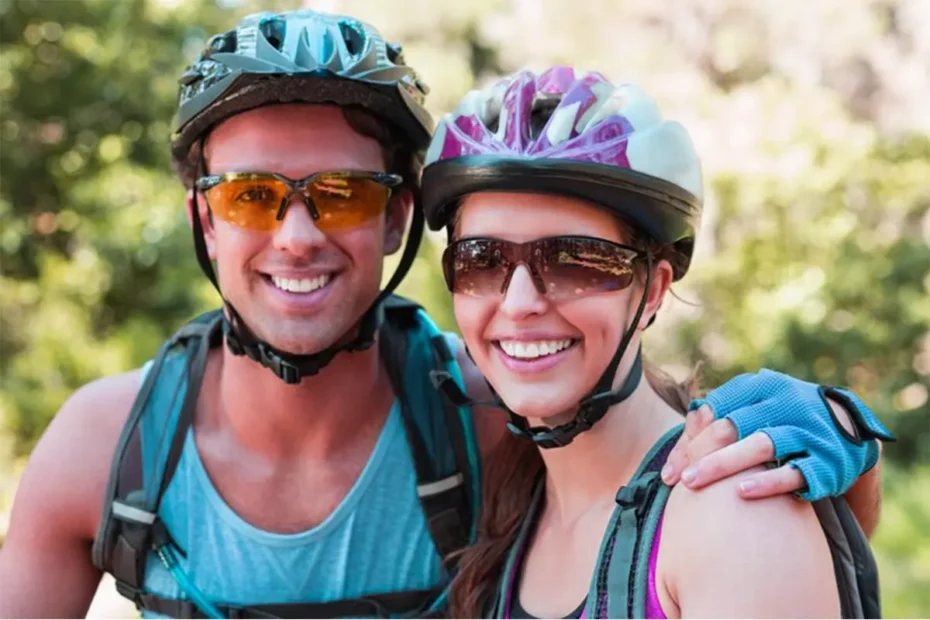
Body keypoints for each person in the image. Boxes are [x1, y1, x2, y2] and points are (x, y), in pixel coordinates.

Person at [0, 11, 890, 619]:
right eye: (252, 195)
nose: (298, 235)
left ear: (397, 217)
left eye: (343, 193)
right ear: (203, 217)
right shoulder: (110, 449)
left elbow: (671, 467)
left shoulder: (487, 421)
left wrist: (825, 438)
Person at [419, 66, 894, 618]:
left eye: (574, 260)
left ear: (652, 290)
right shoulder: (509, 502)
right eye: (482, 260)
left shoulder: (727, 513)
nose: (519, 301)